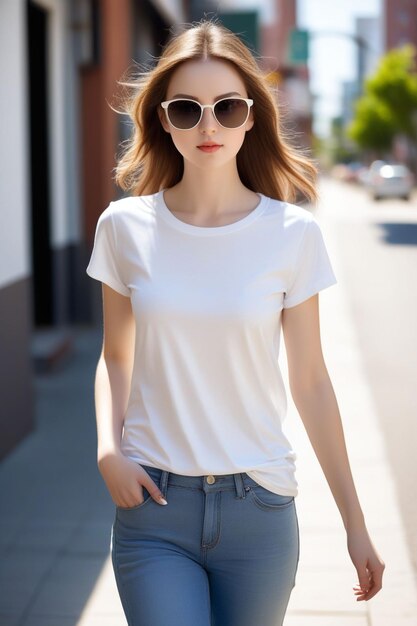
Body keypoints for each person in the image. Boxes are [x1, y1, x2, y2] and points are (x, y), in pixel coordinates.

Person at [86, 18, 385, 626]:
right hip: (154, 507)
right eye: (187, 110)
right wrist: (108, 450)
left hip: (260, 510)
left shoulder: (293, 235)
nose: (208, 126)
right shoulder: (122, 227)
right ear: (163, 120)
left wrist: (355, 525)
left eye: (226, 107)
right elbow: (116, 356)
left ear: (251, 115)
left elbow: (311, 384)